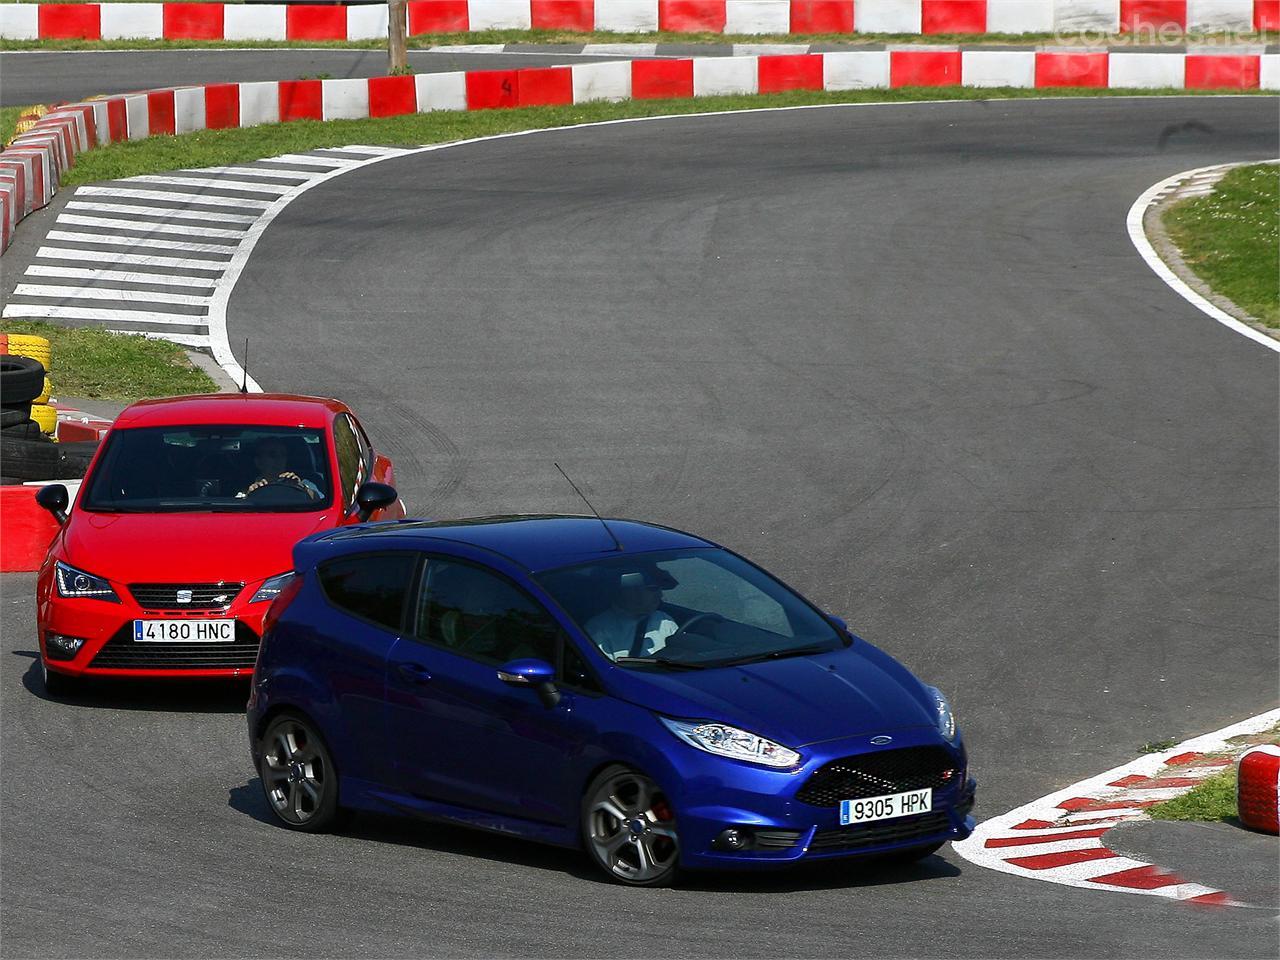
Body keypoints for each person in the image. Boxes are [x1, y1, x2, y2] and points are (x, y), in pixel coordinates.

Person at [585, 567, 679, 660]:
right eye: (652, 589)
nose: (660, 595)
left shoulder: (664, 620)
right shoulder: (599, 628)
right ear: (632, 592)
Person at [237, 437, 321, 500]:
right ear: (258, 462)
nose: (279, 459)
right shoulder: (246, 489)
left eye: (283, 455)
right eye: (272, 455)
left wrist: (301, 487)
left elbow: (321, 503)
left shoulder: (305, 483)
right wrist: (250, 495)